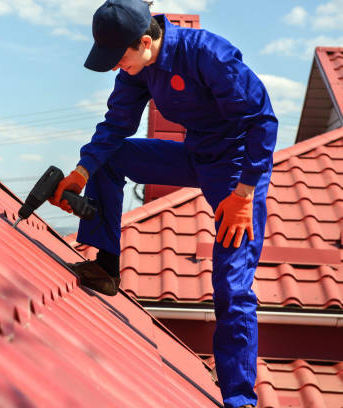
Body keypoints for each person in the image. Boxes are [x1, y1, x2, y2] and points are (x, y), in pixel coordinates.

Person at [49, 1, 277, 407]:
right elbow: (117, 123)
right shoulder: (141, 66)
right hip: (195, 154)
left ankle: (240, 399)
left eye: (120, 58)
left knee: (232, 285)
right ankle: (105, 265)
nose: (119, 67)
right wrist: (81, 171)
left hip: (237, 170)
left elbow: (262, 120)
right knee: (110, 158)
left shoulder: (208, 54)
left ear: (144, 41)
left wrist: (244, 194)